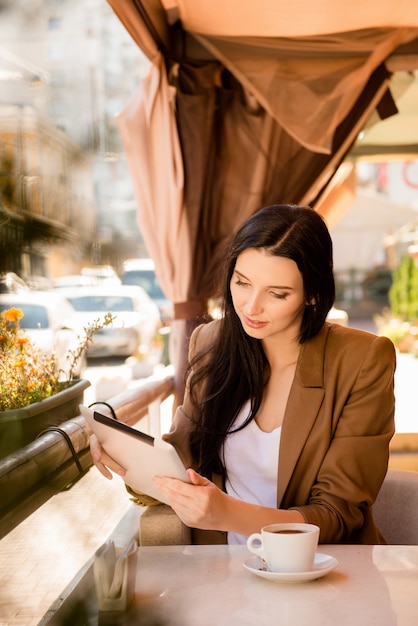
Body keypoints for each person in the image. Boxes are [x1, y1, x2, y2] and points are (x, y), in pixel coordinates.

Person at [91, 204, 396, 545]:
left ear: (312, 294)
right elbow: (181, 456)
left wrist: (226, 513)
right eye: (242, 282)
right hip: (222, 568)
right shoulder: (211, 342)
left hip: (321, 568)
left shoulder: (362, 360)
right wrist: (121, 452)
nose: (251, 307)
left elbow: (339, 513)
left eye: (277, 294)